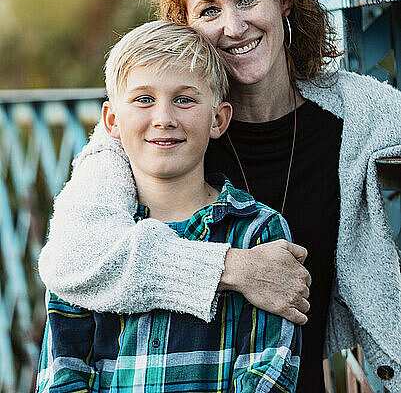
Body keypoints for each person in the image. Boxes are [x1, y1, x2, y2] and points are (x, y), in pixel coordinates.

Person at [38, 0, 401, 392]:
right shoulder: (153, 137)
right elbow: (69, 259)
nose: (233, 26)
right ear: (185, 29)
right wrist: (233, 269)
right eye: (209, 10)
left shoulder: (360, 115)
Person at [36, 20, 302, 393]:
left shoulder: (257, 232)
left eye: (184, 99)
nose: (163, 118)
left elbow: (268, 373)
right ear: (112, 120)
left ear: (218, 119)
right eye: (144, 99)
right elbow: (63, 371)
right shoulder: (91, 235)